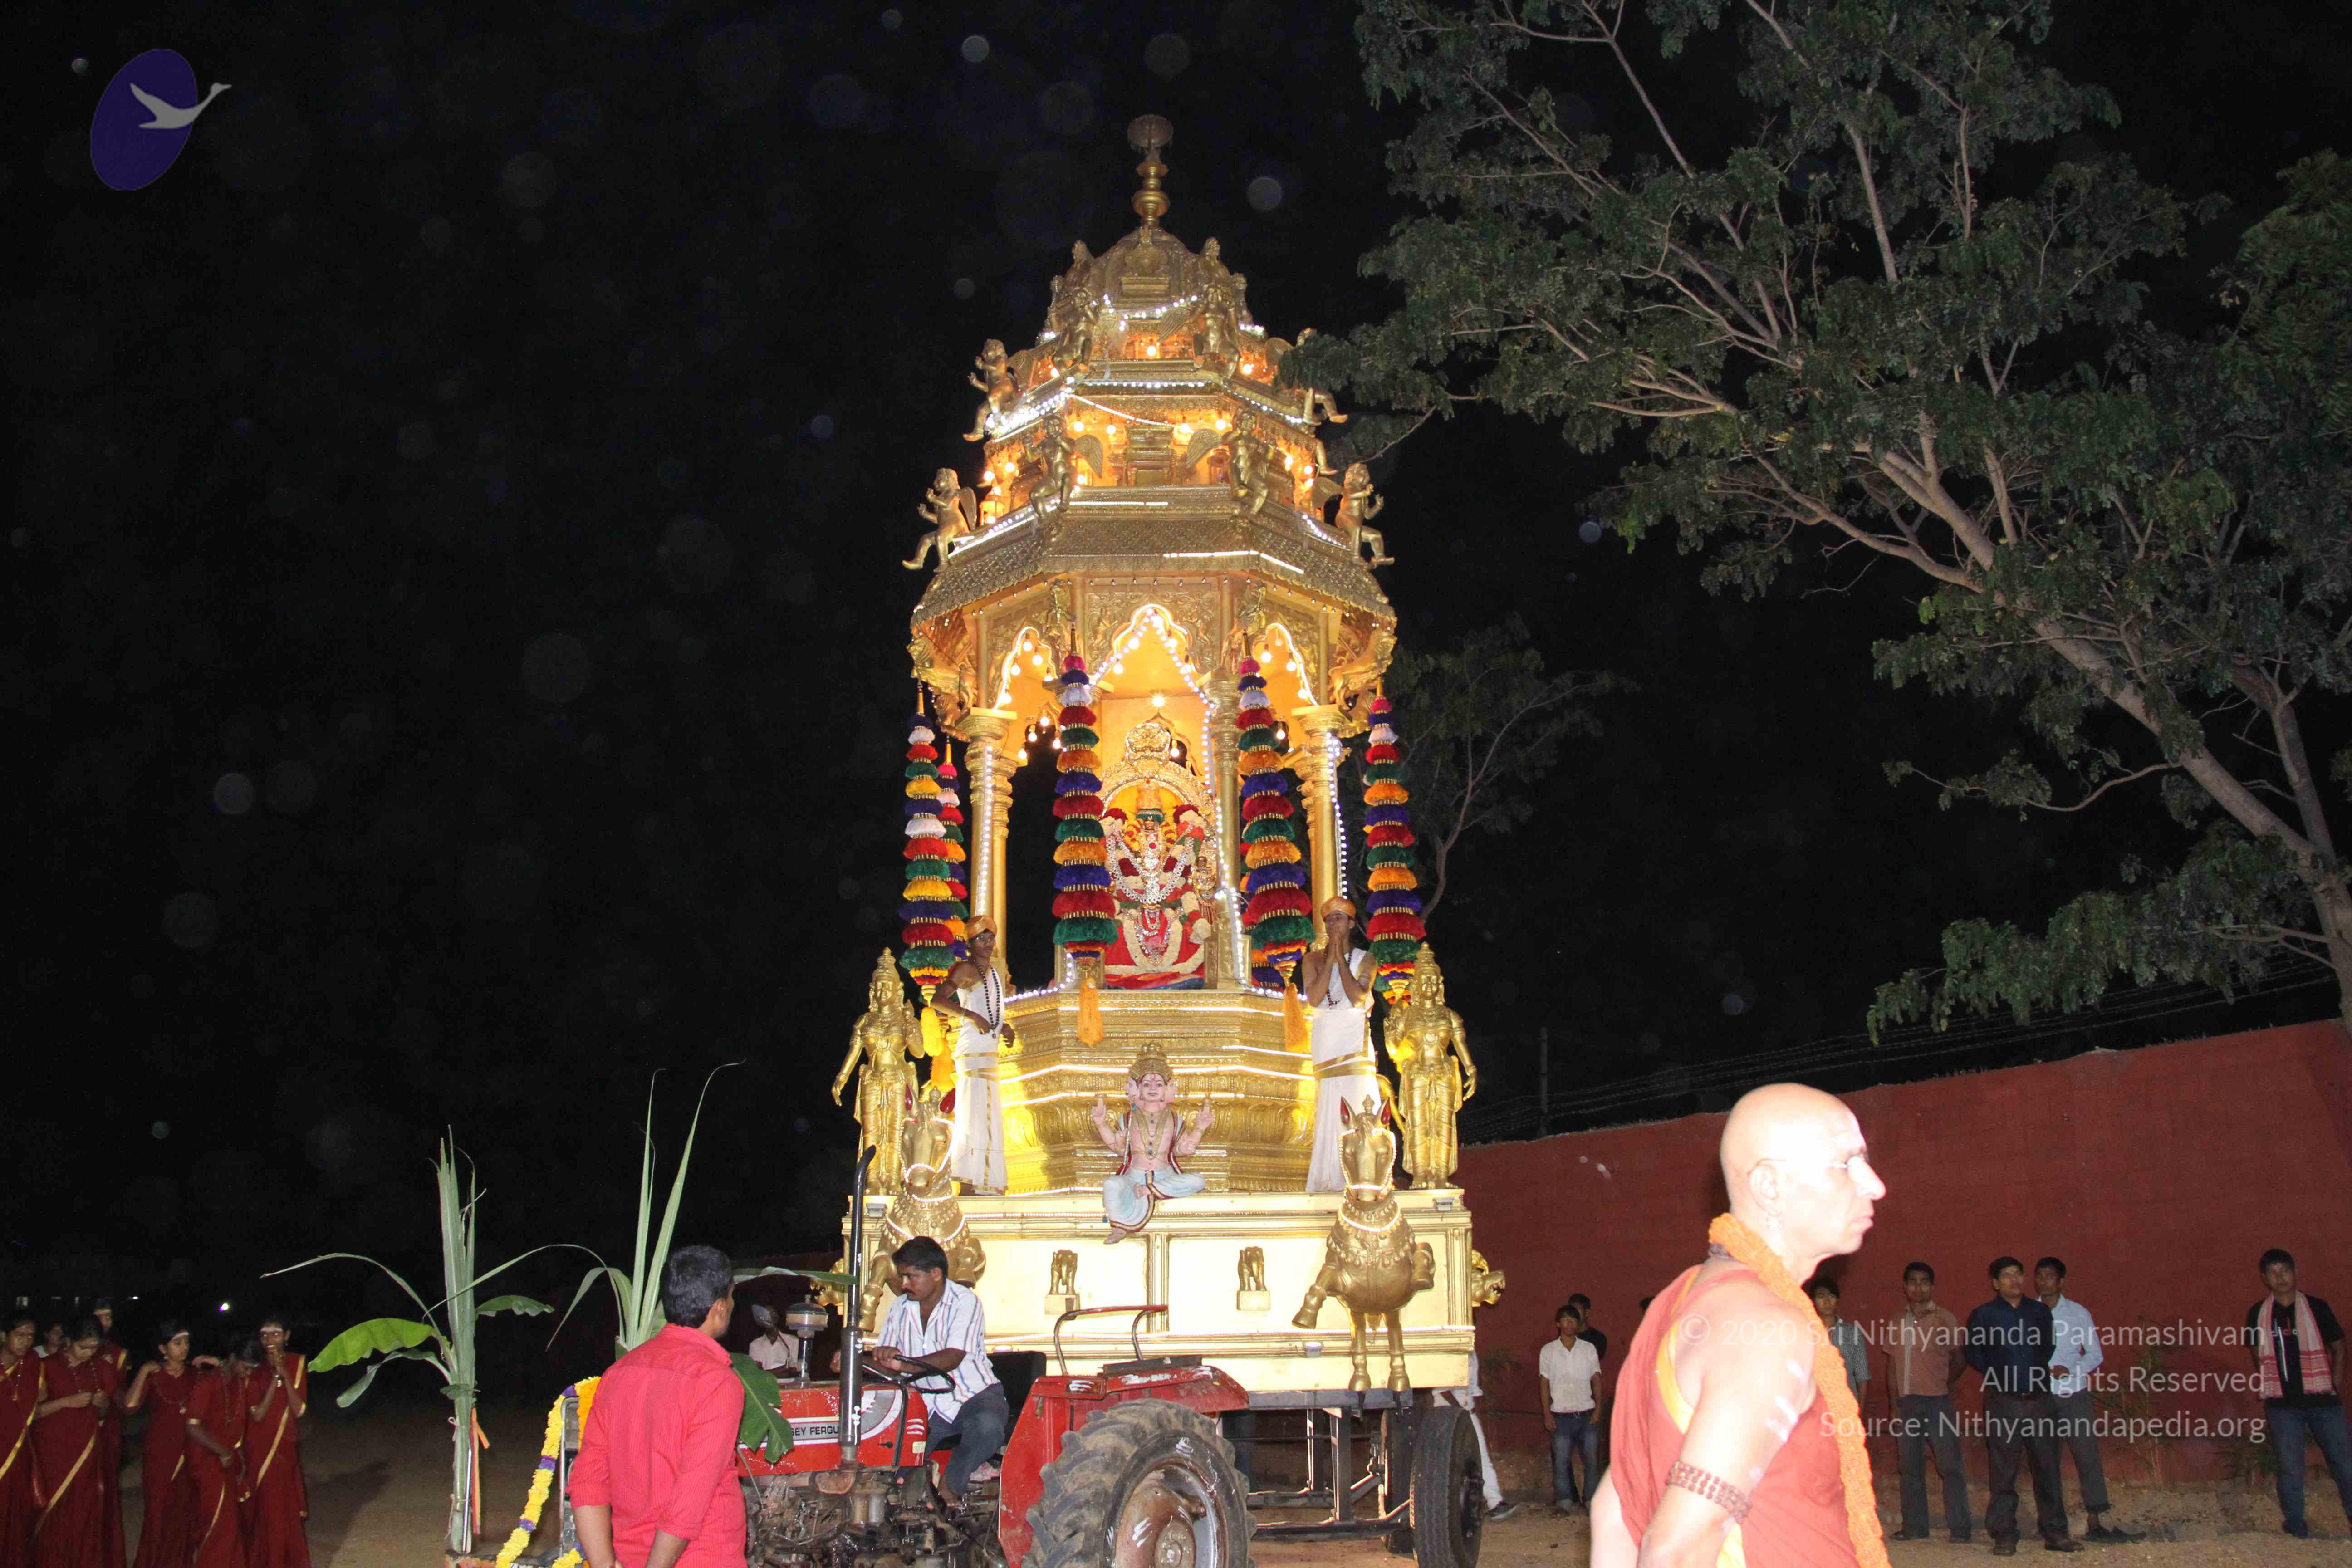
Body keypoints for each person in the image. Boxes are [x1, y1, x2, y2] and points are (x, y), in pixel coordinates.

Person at [1592, 1083, 1889, 1568]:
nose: (1875, 1185)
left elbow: (1616, 1509)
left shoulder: (1687, 1296)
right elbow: (1677, 1548)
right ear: (1770, 1185)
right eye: (1847, 1164)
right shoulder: (1766, 1328)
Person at [572, 1245, 747, 1568]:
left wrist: (604, 1564)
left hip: (631, 1555)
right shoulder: (716, 1381)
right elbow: (690, 1499)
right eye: (732, 1296)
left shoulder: (619, 1374)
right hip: (702, 1557)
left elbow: (587, 1481)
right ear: (720, 1307)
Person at [872, 1237, 1006, 1501]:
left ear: (936, 1274)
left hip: (975, 1397)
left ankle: (951, 1489)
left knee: (987, 1429)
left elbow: (952, 1358)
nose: (904, 1284)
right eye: (902, 1277)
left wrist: (903, 1365)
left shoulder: (965, 1301)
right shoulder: (900, 1307)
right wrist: (867, 1358)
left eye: (911, 1277)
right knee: (895, 1472)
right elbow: (885, 1358)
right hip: (924, 1404)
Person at [1966, 1257, 2079, 1554]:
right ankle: (2004, 1535)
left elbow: (2048, 1347)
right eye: (2007, 1275)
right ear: (1995, 1283)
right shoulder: (1984, 1315)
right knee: (2003, 1472)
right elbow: (1974, 1353)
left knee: (2048, 1469)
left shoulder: (2039, 1312)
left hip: (2040, 1401)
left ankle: (2056, 1533)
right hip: (2003, 1402)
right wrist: (2003, 1373)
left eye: (2018, 1274)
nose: (2014, 1280)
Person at [2245, 1247, 2352, 1541]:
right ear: (2265, 1278)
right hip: (2283, 1406)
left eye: (2285, 1270)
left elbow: (2339, 1347)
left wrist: (2334, 1382)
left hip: (2324, 1402)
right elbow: (2257, 1354)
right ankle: (2296, 1527)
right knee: (2291, 1467)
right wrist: (2273, 1382)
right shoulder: (2258, 1314)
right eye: (2273, 1273)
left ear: (2296, 1273)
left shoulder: (2317, 1308)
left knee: (2345, 1463)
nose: (2280, 1278)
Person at [2035, 1258, 2131, 1543]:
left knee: (2087, 1456)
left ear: (2061, 1281)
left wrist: (2071, 1369)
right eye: (2040, 1275)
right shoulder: (2028, 1313)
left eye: (2050, 1276)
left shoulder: (2078, 1314)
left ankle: (2095, 1522)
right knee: (2045, 1461)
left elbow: (2094, 1354)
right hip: (2041, 1396)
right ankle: (2051, 1524)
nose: (2043, 1281)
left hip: (2074, 1393)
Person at [1885, 1260, 1970, 1544]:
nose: (1918, 1287)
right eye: (1913, 1282)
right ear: (1905, 1287)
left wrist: (1944, 1383)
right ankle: (1915, 1527)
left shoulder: (1945, 1319)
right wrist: (1894, 1405)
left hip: (1938, 1403)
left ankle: (1960, 1529)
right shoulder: (1897, 1321)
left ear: (1932, 1287)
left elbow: (1960, 1358)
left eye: (1924, 1282)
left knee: (1950, 1466)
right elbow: (1891, 1365)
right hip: (1907, 1403)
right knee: (1910, 1467)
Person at [1090, 1048, 1213, 1240]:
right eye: (1147, 1084)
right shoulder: (1129, 1117)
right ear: (1138, 1090)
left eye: (1159, 1084)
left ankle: (1150, 1190)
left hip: (1165, 1175)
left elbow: (1181, 1149)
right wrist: (1101, 1123)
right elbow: (1118, 1147)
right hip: (1134, 1176)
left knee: (1199, 1181)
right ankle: (1119, 1226)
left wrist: (1200, 1128)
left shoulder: (1174, 1118)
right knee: (1111, 1184)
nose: (1153, 1088)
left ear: (1166, 1090)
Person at [1299, 897, 1376, 1194]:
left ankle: (1362, 1176)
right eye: (1329, 919)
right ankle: (1328, 1178)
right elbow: (1315, 999)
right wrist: (1329, 959)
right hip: (1327, 1037)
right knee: (1330, 1106)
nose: (1333, 924)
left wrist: (1341, 960)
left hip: (1354, 1038)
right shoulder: (1311, 960)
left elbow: (1358, 998)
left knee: (1358, 1103)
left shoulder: (1366, 959)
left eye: (1339, 918)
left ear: (1352, 924)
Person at [933, 918, 1013, 1195]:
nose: (988, 944)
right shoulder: (966, 969)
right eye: (981, 939)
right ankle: (969, 1182)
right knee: (973, 1114)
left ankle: (987, 1182)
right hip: (972, 1051)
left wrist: (1004, 1027)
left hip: (988, 1050)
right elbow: (937, 1001)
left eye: (991, 939)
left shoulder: (993, 973)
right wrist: (970, 1016)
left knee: (987, 1112)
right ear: (970, 943)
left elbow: (991, 1009)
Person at [31, 1316, 118, 1568]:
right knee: (55, 1512)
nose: (89, 1353)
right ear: (68, 1341)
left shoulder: (100, 1368)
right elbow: (33, 1413)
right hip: (53, 1453)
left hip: (87, 1452)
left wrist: (103, 1405)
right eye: (83, 1347)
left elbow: (104, 1414)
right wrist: (66, 1402)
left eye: (94, 1348)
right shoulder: (46, 1367)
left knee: (85, 1512)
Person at [123, 1322, 199, 1568]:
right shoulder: (154, 1375)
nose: (184, 1347)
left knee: (183, 1513)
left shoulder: (196, 1375)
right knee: (157, 1512)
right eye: (177, 1343)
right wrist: (144, 1371)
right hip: (159, 1454)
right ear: (163, 1349)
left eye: (186, 1342)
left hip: (188, 1452)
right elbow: (130, 1407)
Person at [241, 1315, 309, 1568]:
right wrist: (274, 1380)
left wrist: (284, 1375)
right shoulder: (255, 1371)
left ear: (287, 1336)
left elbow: (299, 1409)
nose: (270, 1340)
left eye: (276, 1334)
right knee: (268, 1511)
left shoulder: (297, 1363)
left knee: (285, 1510)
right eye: (265, 1335)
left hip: (285, 1447)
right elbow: (257, 1415)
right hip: (260, 1449)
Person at [181, 1344, 251, 1568]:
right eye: (246, 1366)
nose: (248, 1372)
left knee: (230, 1524)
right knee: (219, 1524)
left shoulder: (237, 1383)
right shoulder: (208, 1383)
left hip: (228, 1459)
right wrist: (222, 1452)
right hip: (206, 1459)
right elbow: (192, 1426)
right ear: (233, 1358)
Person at [1439, 1354, 1519, 1522]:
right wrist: (1461, 1412)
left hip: (1468, 1412)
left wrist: (1475, 1415)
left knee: (1482, 1458)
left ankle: (1496, 1503)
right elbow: (1441, 1390)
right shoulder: (1448, 1350)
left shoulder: (1472, 1354)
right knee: (1448, 1461)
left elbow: (1474, 1390)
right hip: (1447, 1413)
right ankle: (1444, 1509)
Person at [1538, 1304, 1601, 1513]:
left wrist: (1598, 1408)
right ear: (1558, 1324)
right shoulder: (1548, 1351)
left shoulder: (1589, 1349)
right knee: (1562, 1461)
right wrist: (1547, 1413)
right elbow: (1544, 1382)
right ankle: (1564, 1502)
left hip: (1586, 1412)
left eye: (1573, 1320)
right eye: (1565, 1320)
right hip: (1560, 1415)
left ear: (1578, 1324)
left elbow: (1596, 1379)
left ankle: (1591, 1500)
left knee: (1591, 1460)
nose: (1570, 1324)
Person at [3, 1313, 42, 1568]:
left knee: (16, 1518)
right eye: (19, 1336)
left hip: (19, 1455)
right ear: (3, 1336)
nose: (26, 1342)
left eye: (30, 1336)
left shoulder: (32, 1364)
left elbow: (39, 1404)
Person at [1808, 1277, 1869, 1401]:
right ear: (1813, 1301)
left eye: (1831, 1296)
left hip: (1845, 1403)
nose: (1827, 1302)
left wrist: (1860, 1410)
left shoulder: (1852, 1333)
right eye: (1821, 1297)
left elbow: (1862, 1376)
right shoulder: (1806, 1332)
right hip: (1815, 1403)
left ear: (1837, 1300)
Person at [745, 1306, 801, 1379]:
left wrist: (765, 1373)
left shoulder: (793, 1341)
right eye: (768, 1313)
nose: (772, 1315)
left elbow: (796, 1370)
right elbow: (755, 1375)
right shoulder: (755, 1345)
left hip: (788, 1385)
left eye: (774, 1312)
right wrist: (781, 1371)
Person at [1567, 1293, 1607, 1362]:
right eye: (1571, 1310)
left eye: (1577, 1310)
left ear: (1587, 1312)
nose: (1574, 1314)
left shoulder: (1599, 1338)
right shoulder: (1565, 1335)